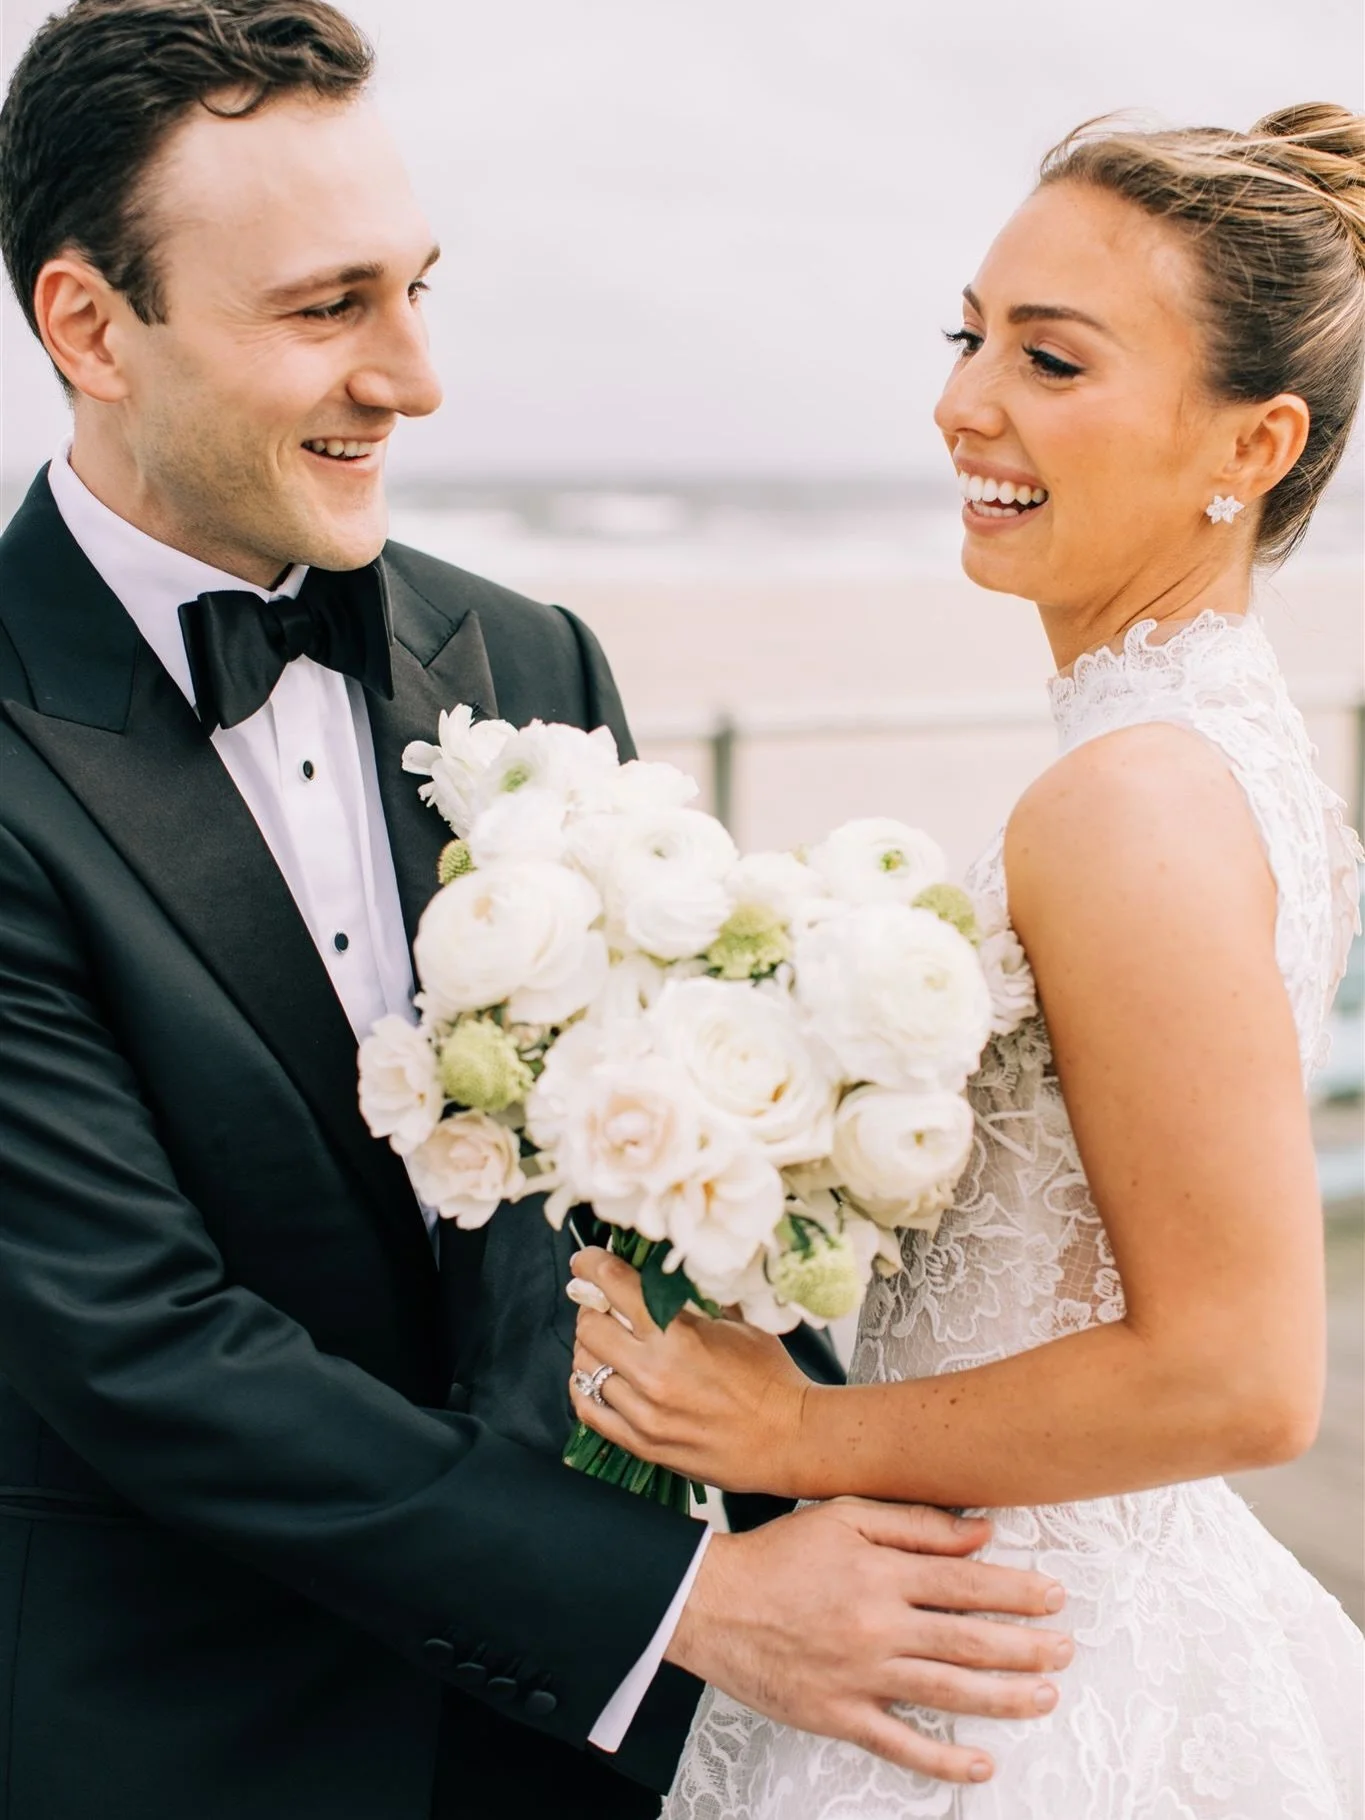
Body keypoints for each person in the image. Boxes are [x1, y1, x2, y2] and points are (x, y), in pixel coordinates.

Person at [0, 3, 1073, 1816]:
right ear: (92, 325)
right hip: (191, 1731)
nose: (414, 377)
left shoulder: (524, 655)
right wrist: (689, 1601)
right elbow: (146, 1344)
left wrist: (872, 1505)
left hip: (580, 1743)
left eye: (418, 289)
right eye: (327, 307)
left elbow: (669, 1190)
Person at [569, 106, 1365, 1817]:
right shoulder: (1215, 748)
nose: (965, 403)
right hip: (1035, 1601)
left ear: (1256, 443)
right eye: (971, 333)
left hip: (1020, 1678)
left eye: (1053, 360)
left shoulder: (1131, 798)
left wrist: (796, 1440)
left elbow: (1240, 1370)